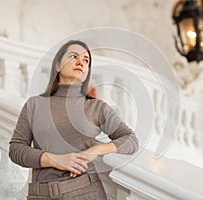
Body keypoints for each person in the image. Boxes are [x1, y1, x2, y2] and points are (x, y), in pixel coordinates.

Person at [9, 40, 139, 200]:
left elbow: (130, 140)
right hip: (40, 193)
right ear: (57, 65)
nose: (81, 62)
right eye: (73, 56)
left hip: (85, 192)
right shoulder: (35, 104)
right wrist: (56, 160)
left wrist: (94, 152)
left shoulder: (97, 107)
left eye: (86, 60)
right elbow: (15, 149)